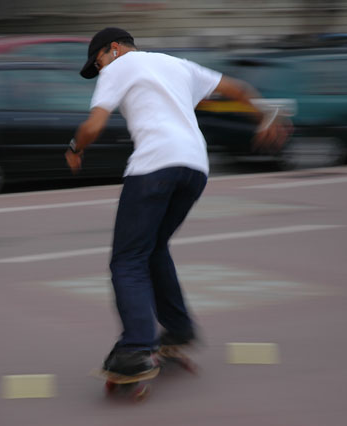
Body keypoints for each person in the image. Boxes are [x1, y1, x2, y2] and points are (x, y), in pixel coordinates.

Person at [65, 27, 290, 378]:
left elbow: (94, 126)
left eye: (99, 61)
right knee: (153, 248)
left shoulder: (119, 66)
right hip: (194, 168)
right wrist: (265, 117)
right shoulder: (177, 65)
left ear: (113, 49)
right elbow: (237, 89)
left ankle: (137, 347)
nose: (100, 68)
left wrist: (75, 148)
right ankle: (179, 329)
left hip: (154, 167)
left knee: (127, 260)